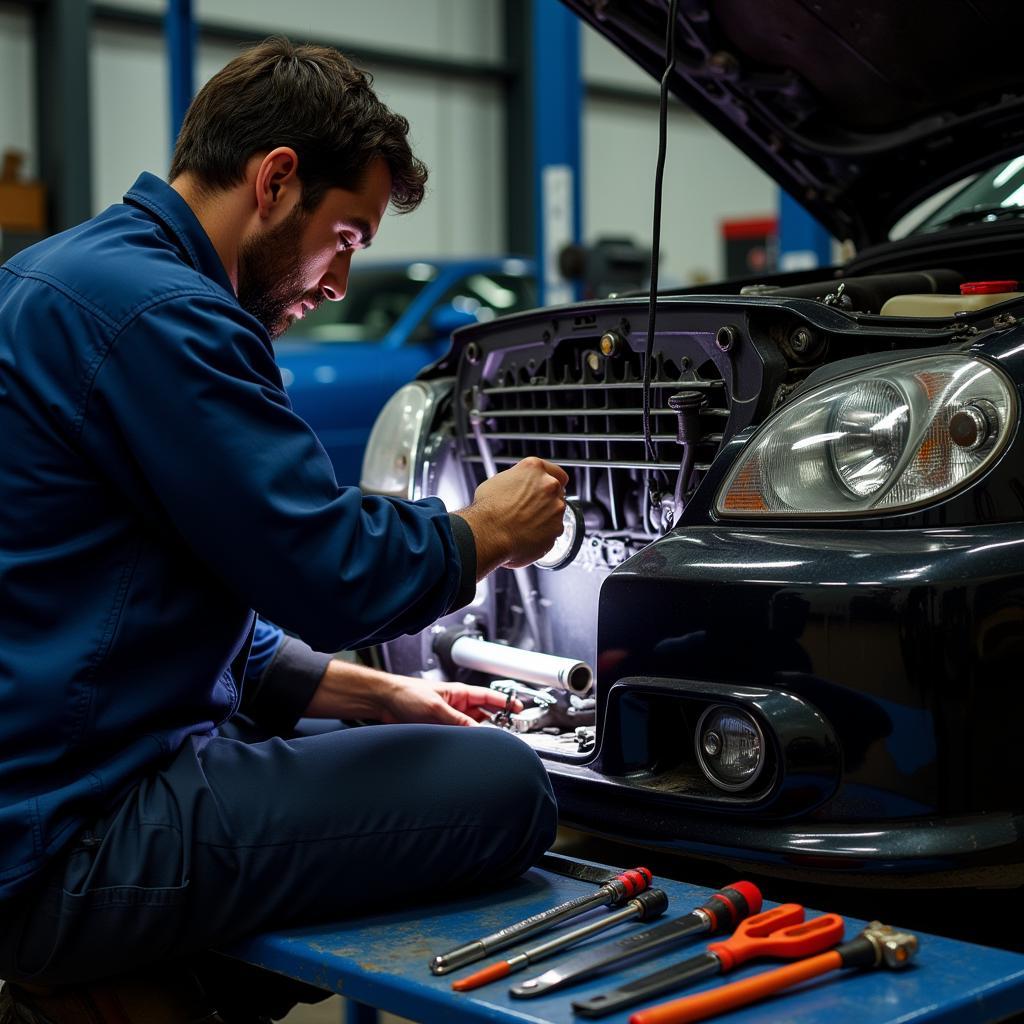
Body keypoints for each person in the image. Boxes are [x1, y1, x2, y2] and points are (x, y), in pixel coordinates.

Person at [0, 36, 567, 1021]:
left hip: (44, 776)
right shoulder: (171, 318)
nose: (340, 280)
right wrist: (484, 531)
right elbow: (325, 571)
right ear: (274, 180)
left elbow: (140, 590)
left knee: (368, 734)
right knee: (508, 784)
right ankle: (115, 990)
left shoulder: (54, 276)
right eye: (346, 237)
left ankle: (120, 983)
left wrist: (370, 690)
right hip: (63, 840)